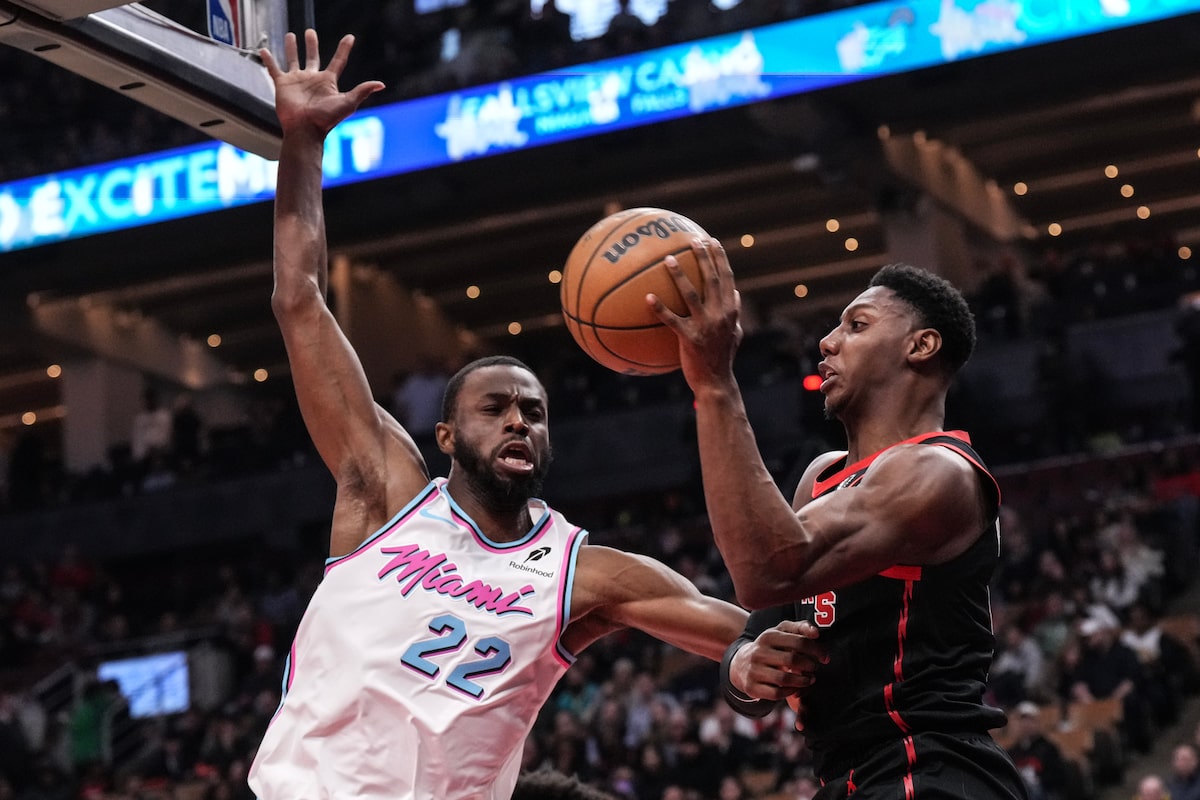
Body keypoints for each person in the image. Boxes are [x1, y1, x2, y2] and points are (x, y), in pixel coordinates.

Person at [247, 31, 764, 800]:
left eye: (534, 411)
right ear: (446, 435)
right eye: (495, 408)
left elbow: (742, 630)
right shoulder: (386, 495)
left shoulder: (580, 573)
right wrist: (302, 147)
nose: (520, 421)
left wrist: (767, 658)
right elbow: (299, 301)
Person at [651, 246, 1028, 799]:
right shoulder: (821, 477)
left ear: (921, 346)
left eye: (857, 324)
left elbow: (768, 570)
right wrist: (746, 667)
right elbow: (757, 630)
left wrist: (714, 385)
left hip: (928, 767)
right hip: (845, 778)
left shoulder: (940, 473)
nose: (827, 342)